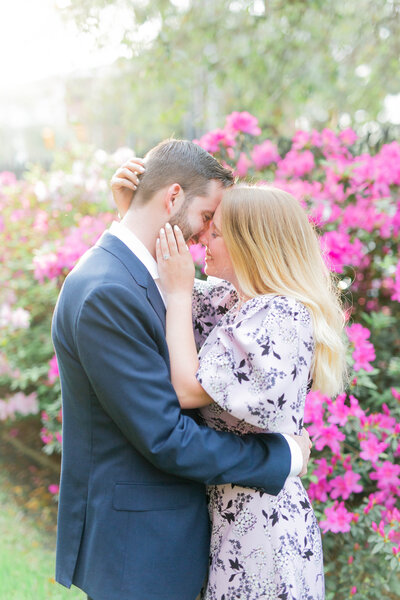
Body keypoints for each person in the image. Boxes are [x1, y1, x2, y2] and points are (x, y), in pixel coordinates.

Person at [52, 139, 311, 600]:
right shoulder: (106, 292)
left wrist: (131, 210)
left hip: (168, 543)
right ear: (173, 198)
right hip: (141, 553)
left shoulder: (135, 276)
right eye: (208, 217)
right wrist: (281, 457)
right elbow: (166, 437)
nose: (207, 234)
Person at [148, 185, 348, 599]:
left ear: (250, 244)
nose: (203, 239)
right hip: (235, 517)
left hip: (263, 528)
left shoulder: (281, 314)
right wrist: (130, 206)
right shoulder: (234, 303)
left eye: (216, 233)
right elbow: (156, 272)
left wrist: (181, 291)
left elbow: (186, 390)